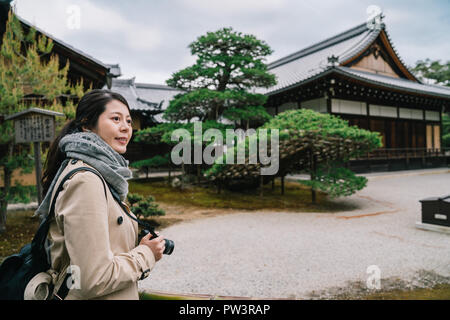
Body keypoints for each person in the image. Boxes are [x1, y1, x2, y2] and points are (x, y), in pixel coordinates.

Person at [35, 89, 165, 300]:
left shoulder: (100, 174)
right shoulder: (86, 181)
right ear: (87, 125)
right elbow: (93, 278)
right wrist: (146, 254)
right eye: (116, 119)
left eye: (129, 121)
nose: (125, 128)